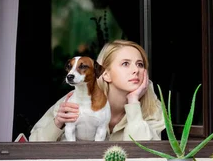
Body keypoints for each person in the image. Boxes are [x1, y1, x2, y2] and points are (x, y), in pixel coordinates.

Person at [29, 39, 165, 141]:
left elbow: (144, 152)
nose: (136, 70)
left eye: (140, 64)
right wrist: (58, 123)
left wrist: (133, 102)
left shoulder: (152, 107)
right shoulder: (73, 101)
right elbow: (32, 143)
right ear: (105, 73)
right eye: (125, 64)